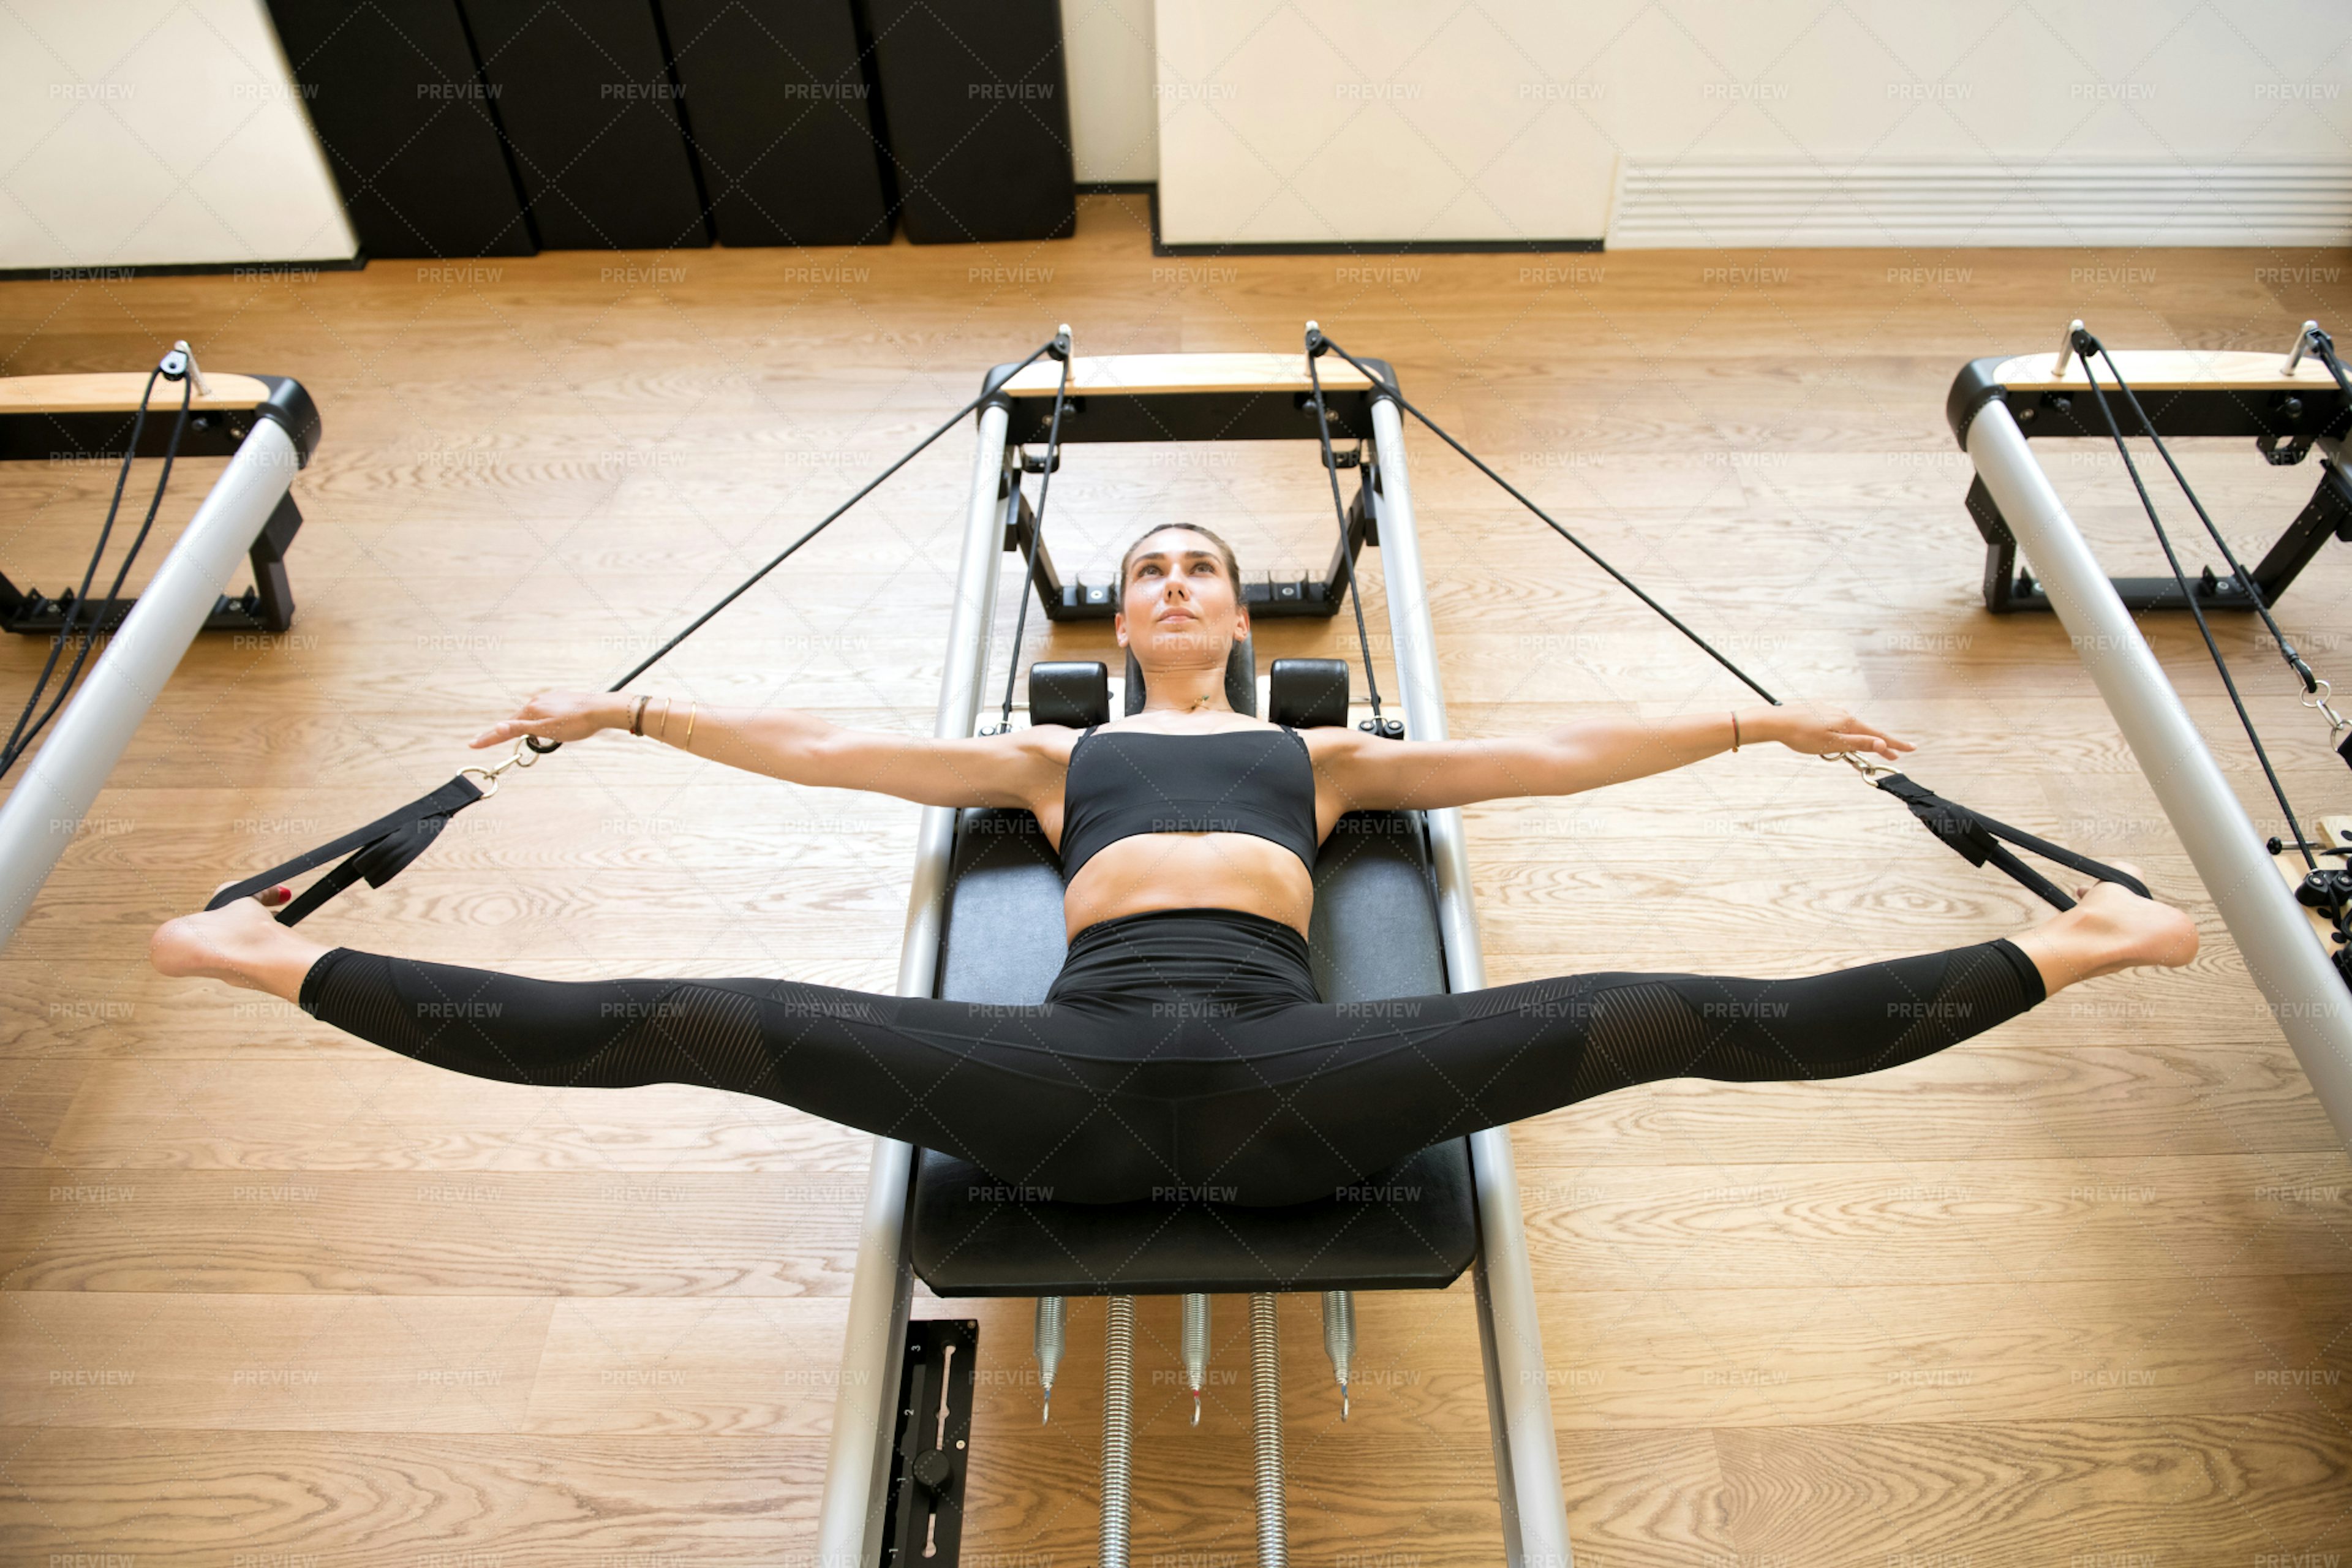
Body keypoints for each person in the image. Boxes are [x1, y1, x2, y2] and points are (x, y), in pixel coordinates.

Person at [151, 524, 2198, 1207]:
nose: (1179, 583)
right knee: (715, 1018)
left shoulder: (1329, 756)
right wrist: (639, 716)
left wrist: (1757, 720)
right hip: (1064, 1081)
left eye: (1202, 564)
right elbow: (843, 749)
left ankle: (2093, 951)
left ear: (1245, 609)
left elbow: (1556, 755)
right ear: (1122, 621)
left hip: (1306, 1089)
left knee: (1662, 1014)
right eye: (1151, 570)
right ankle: (261, 963)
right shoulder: (1065, 750)